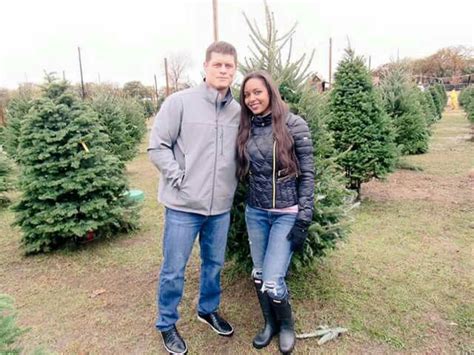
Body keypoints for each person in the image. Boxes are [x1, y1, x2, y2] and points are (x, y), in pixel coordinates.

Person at [148, 41, 240, 355]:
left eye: (229, 66)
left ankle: (207, 309)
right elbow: (157, 146)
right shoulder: (180, 103)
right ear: (206, 67)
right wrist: (179, 178)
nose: (224, 70)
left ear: (235, 70)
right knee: (174, 268)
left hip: (220, 207)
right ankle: (166, 323)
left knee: (213, 264)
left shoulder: (237, 111)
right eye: (218, 65)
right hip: (183, 207)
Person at [236, 71, 315, 354]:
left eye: (257, 92)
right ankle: (269, 324)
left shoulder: (294, 125)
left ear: (270, 91)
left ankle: (286, 327)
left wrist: (304, 218)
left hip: (286, 213)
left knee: (272, 279)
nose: (252, 99)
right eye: (246, 94)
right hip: (255, 213)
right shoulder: (245, 129)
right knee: (258, 274)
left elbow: (307, 174)